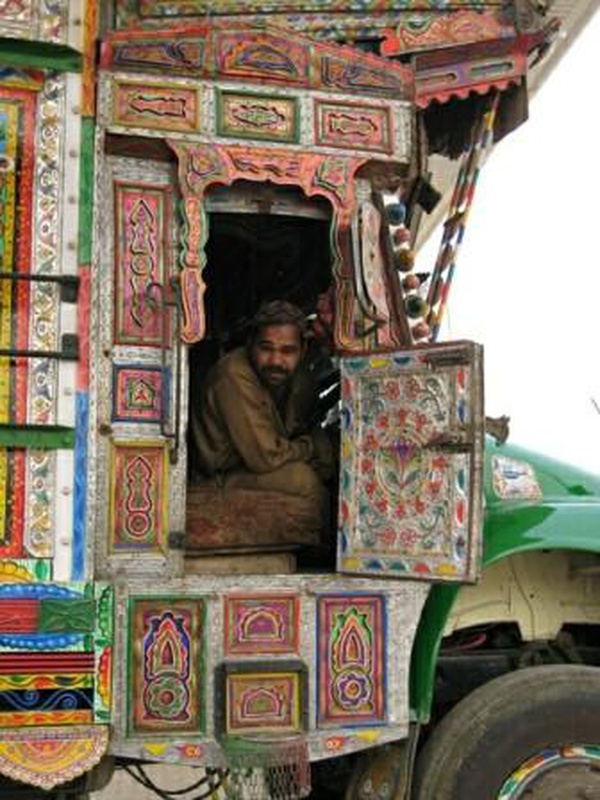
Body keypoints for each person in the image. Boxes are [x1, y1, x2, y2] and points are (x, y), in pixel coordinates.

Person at [191, 301, 334, 541]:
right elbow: (264, 458)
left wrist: (321, 452)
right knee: (304, 480)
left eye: (288, 351)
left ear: (302, 349)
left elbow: (300, 427)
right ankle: (319, 555)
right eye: (266, 348)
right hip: (220, 475)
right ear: (251, 344)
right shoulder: (233, 375)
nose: (276, 360)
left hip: (260, 464)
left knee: (328, 467)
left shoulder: (298, 376)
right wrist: (310, 449)